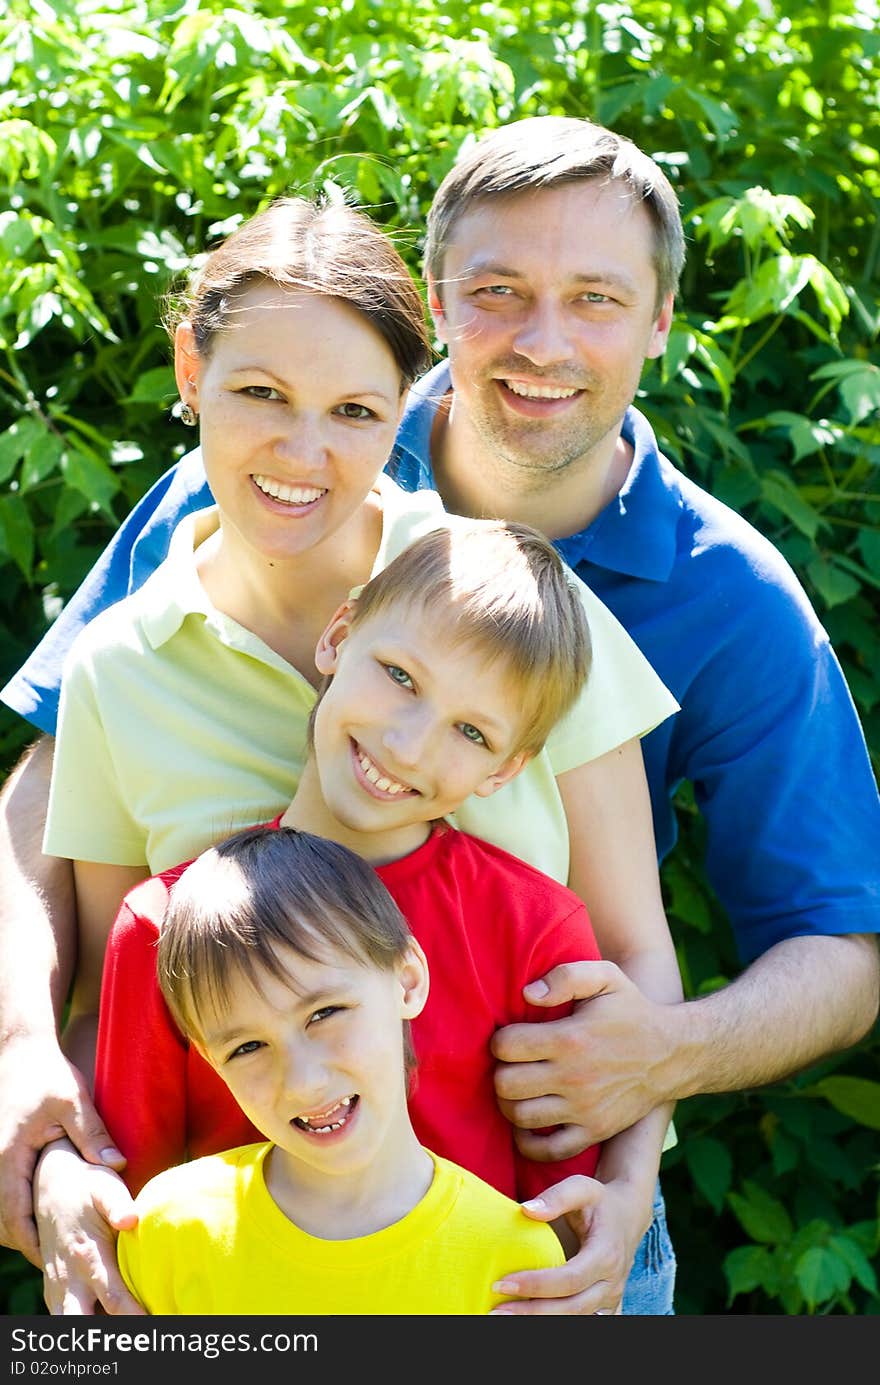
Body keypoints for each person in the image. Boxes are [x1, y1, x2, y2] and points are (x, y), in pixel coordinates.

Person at [4, 188, 682, 1314]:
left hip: (535, 1257)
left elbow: (634, 966)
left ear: (403, 408)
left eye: (357, 411)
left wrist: (625, 1186)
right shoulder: (122, 666)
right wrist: (73, 1168)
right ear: (189, 371)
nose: (303, 452)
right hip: (249, 1280)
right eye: (261, 393)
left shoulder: (512, 609)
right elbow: (112, 997)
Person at [39, 521, 609, 1314]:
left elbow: (561, 1221)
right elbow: (138, 1220)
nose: (407, 744)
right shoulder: (164, 929)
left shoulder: (533, 930)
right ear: (340, 635)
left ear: (506, 768)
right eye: (401, 675)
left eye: (471, 731)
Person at [114, 825, 568, 1315]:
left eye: (324, 1014)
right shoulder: (167, 1231)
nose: (304, 1081)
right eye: (247, 1047)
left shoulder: (515, 1263)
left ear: (408, 980)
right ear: (209, 1059)